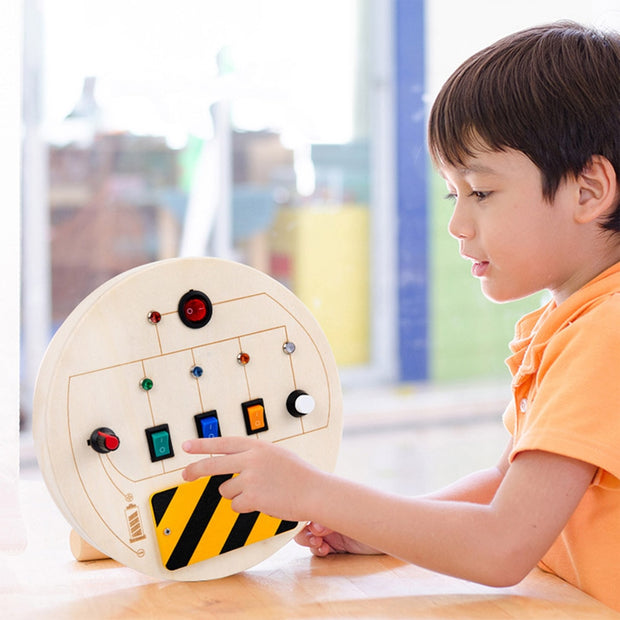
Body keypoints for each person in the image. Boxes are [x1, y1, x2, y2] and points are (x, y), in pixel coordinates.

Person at [182, 21, 620, 611]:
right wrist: (380, 528)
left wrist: (315, 493)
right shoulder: (571, 318)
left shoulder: (606, 330)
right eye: (452, 194)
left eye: (481, 193)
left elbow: (502, 546)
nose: (457, 225)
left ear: (589, 191)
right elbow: (507, 486)